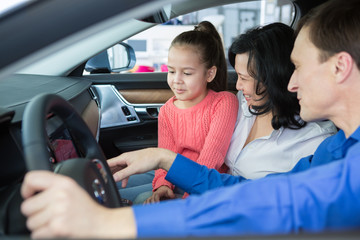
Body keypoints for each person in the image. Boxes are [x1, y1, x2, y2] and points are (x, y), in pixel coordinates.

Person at [20, 0, 360, 238]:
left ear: (340, 67)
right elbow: (256, 193)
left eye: (298, 67)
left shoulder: (330, 151)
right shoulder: (338, 148)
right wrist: (163, 158)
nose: (291, 82)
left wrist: (110, 224)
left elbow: (278, 204)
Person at [120, 22, 337, 204]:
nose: (238, 86)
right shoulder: (243, 103)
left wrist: (182, 193)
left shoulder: (313, 143)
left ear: (273, 78)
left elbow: (267, 202)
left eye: (243, 77)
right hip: (200, 189)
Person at [119, 21, 238, 204]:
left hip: (202, 184)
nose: (176, 80)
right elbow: (165, 153)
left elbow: (211, 159)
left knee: (138, 199)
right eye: (171, 71)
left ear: (209, 74)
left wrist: (187, 202)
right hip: (173, 177)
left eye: (187, 73)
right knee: (111, 186)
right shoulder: (168, 109)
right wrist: (162, 185)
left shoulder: (223, 102)